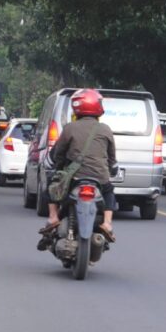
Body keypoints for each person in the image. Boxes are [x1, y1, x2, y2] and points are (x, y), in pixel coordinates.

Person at [40, 88, 117, 243]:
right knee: (109, 191)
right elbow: (112, 159)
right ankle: (107, 223)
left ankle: (53, 217)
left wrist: (55, 167)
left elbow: (58, 154)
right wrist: (111, 169)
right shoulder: (106, 129)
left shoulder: (69, 128)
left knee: (51, 184)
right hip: (99, 179)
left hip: (74, 178)